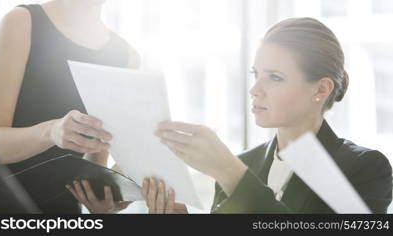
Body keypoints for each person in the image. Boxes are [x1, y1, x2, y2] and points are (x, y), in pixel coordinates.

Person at [141, 18, 392, 214]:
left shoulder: (364, 168)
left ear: (320, 89)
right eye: (255, 74)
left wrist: (231, 174)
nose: (255, 90)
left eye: (275, 77)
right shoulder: (243, 164)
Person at [0, 0, 139, 214]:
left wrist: (102, 202)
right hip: (2, 207)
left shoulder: (125, 56)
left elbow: (95, 160)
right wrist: (52, 131)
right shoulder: (22, 23)